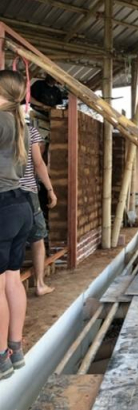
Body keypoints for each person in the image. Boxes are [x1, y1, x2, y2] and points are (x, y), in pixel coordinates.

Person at [0, 70, 33, 381]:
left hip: (1, 205)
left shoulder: (1, 119)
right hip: (20, 205)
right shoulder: (21, 124)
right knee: (12, 278)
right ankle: (15, 349)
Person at [20, 125, 57, 296]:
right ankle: (40, 284)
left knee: (10, 239)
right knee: (37, 237)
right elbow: (38, 163)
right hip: (26, 192)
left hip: (4, 192)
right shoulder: (28, 130)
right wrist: (50, 190)